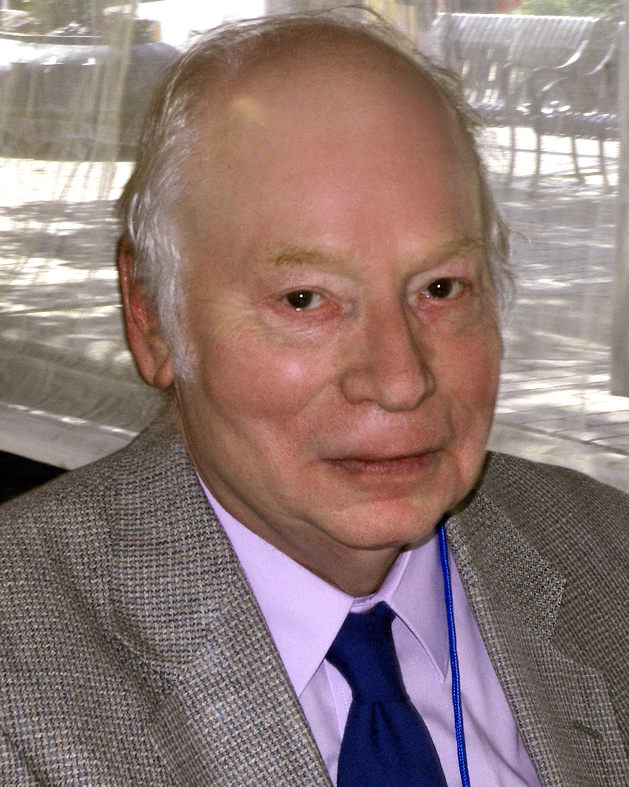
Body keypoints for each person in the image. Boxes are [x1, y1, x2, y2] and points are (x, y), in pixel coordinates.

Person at [1, 9, 628, 786]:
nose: (400, 379)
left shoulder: (608, 554)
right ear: (151, 316)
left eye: (439, 287)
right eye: (304, 299)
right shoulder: (20, 674)